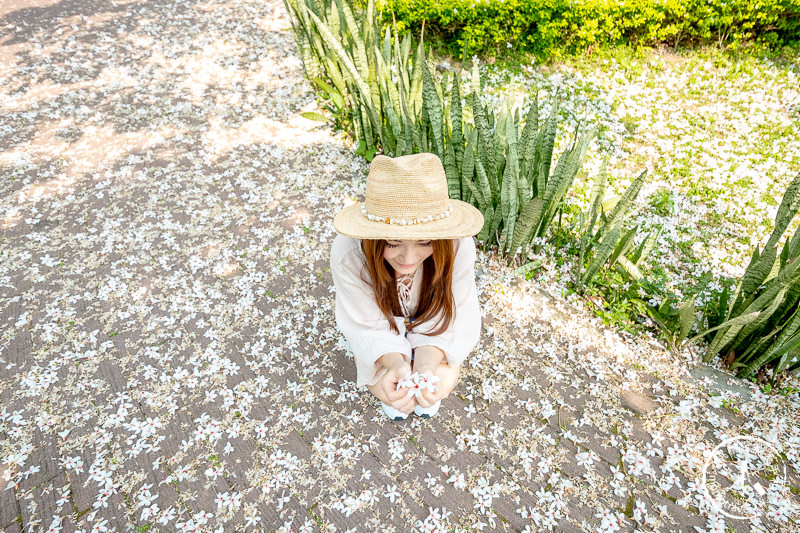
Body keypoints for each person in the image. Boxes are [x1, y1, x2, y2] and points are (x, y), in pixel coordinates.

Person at [330, 152, 484, 420]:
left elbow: (457, 311)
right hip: (381, 321)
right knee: (391, 387)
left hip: (435, 321)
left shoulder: (458, 244)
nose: (409, 259)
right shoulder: (349, 253)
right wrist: (395, 363)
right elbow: (365, 324)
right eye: (392, 243)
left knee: (437, 381)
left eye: (425, 242)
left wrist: (426, 362)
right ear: (375, 237)